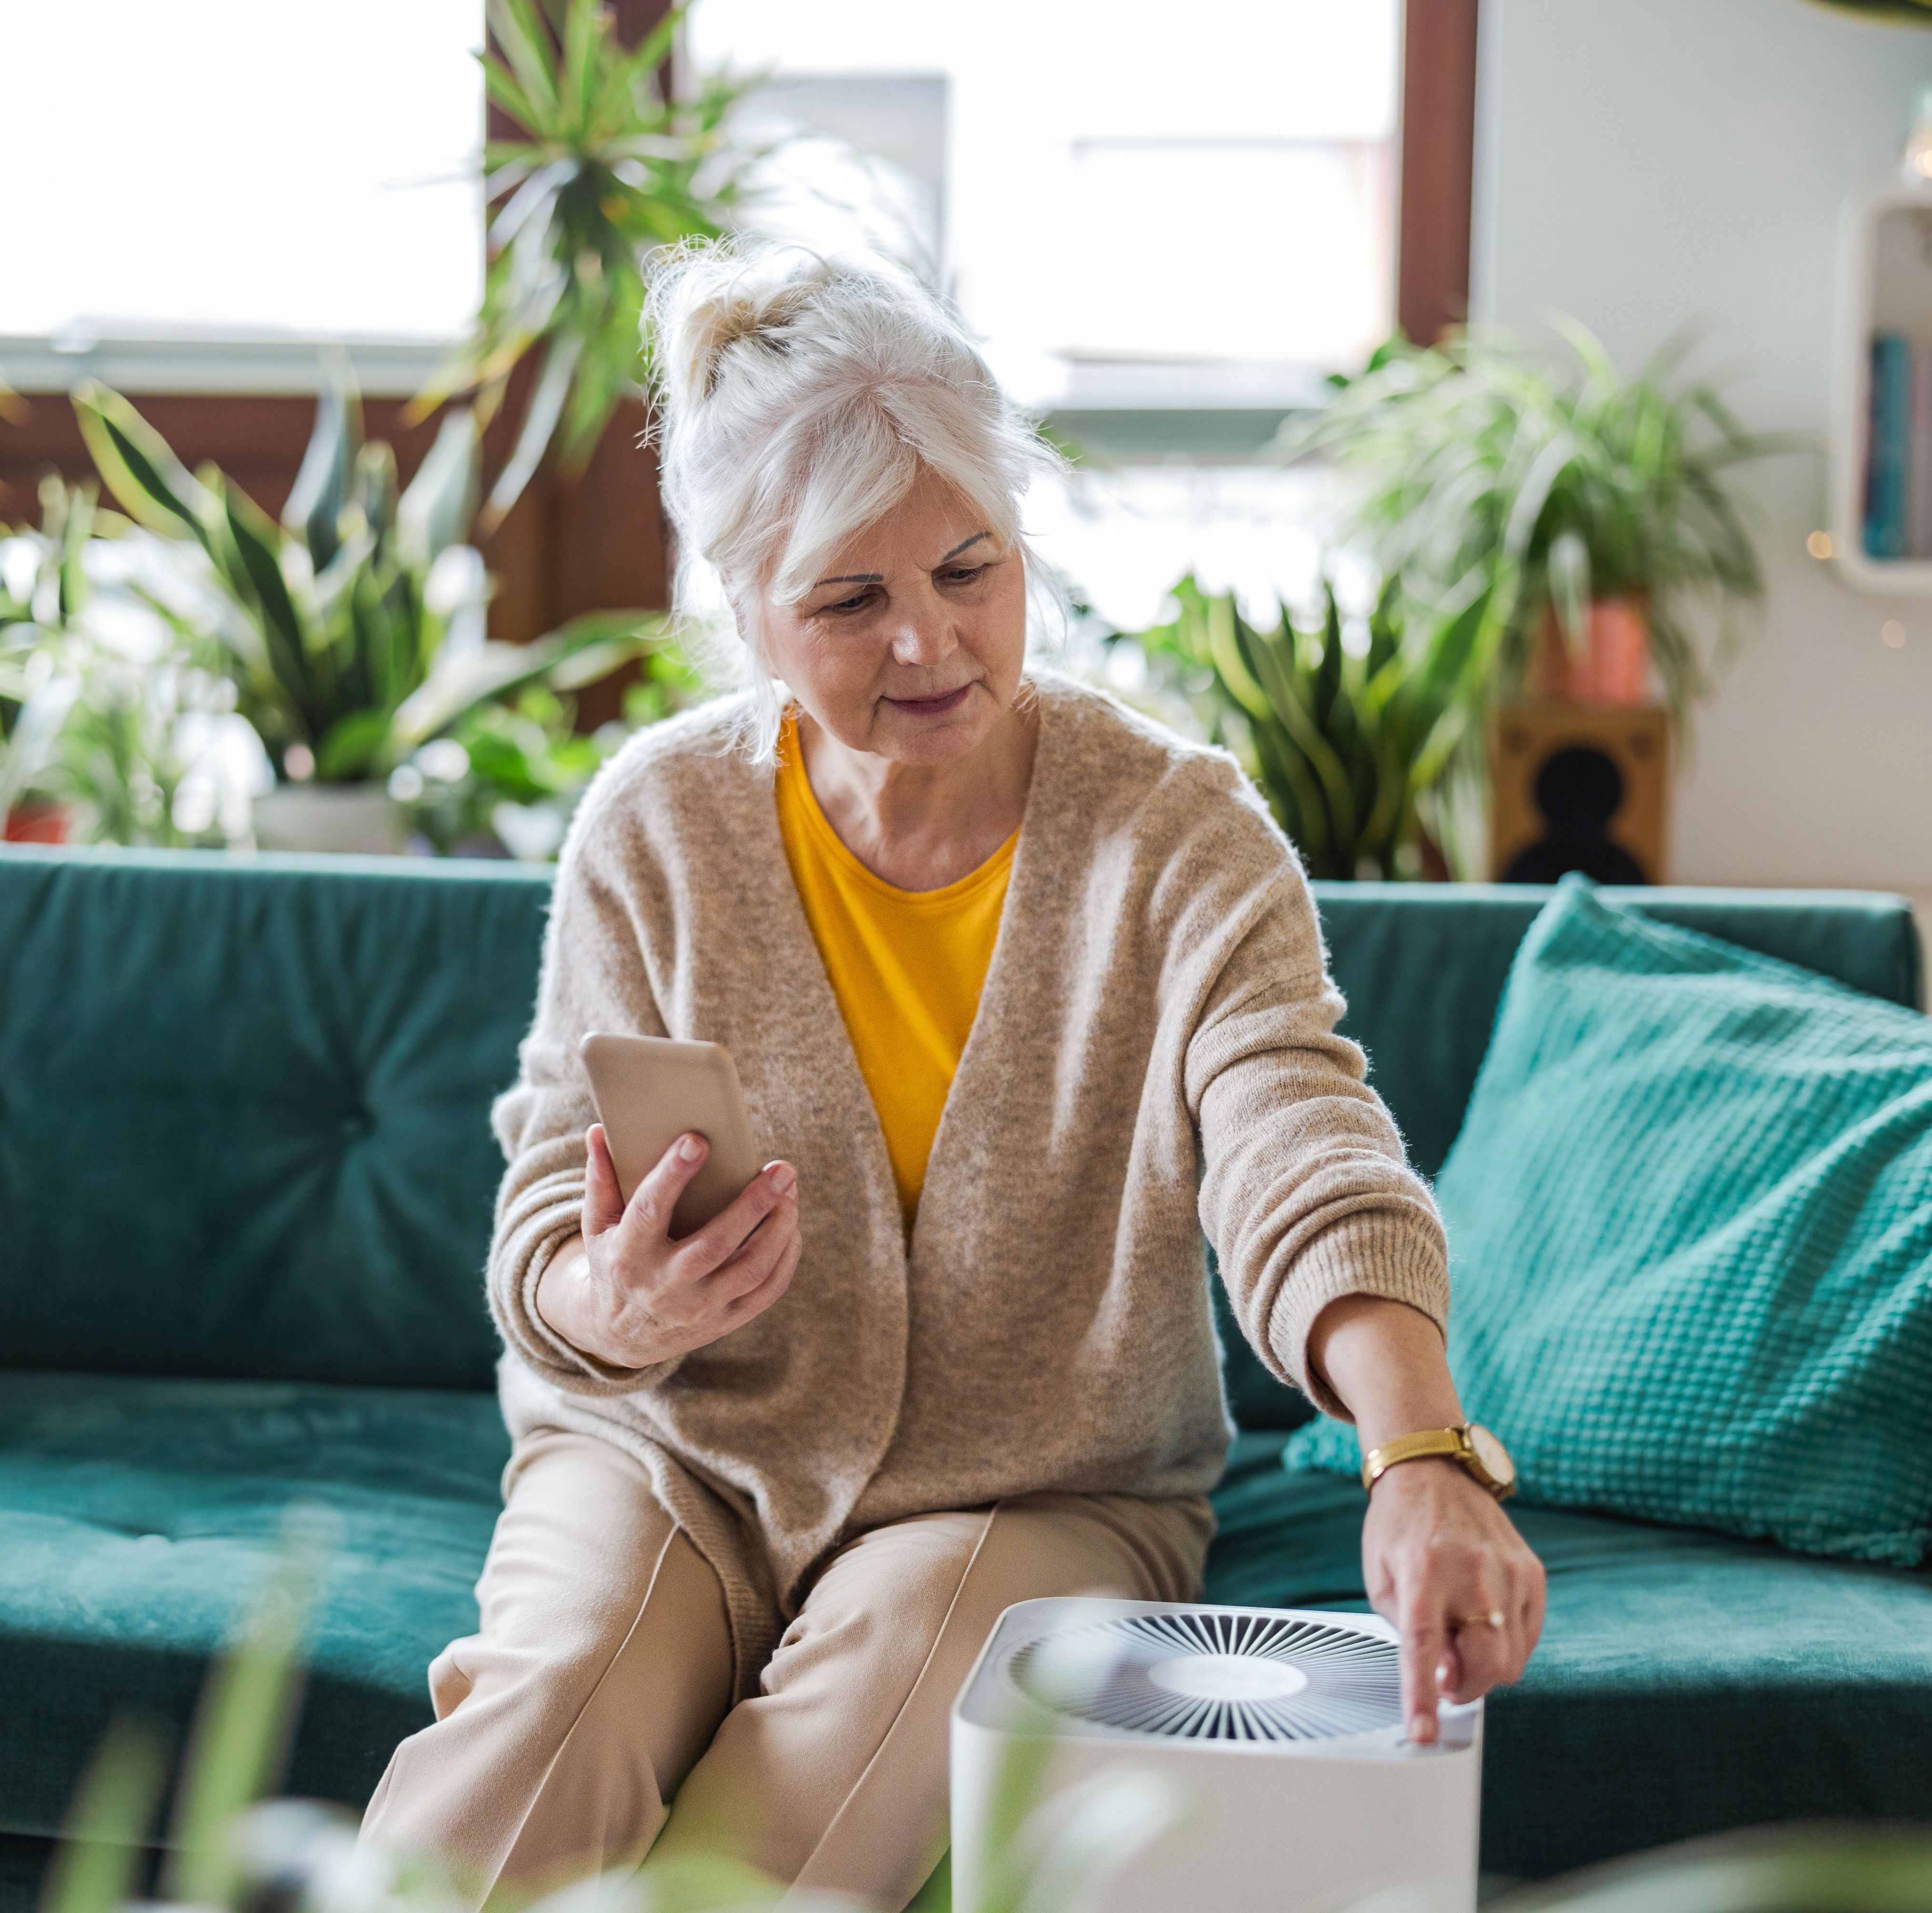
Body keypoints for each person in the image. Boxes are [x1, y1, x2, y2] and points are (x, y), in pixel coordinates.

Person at [360, 241, 1546, 1909]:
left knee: (796, 1809)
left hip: (1041, 1491)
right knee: (537, 1731)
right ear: (749, 606)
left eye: (970, 570)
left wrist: (1419, 1457)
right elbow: (551, 1202)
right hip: (670, 1450)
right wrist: (609, 1308)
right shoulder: (657, 823)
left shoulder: (1176, 832)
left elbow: (1305, 1141)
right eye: (851, 599)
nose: (931, 643)